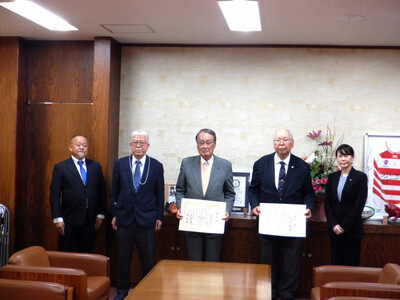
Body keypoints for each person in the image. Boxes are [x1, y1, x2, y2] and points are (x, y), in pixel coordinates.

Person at [248, 128, 315, 300]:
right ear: (273, 143)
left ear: (292, 143)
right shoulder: (261, 164)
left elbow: (309, 193)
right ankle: (268, 293)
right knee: (267, 260)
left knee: (290, 261)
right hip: (267, 222)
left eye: (285, 139)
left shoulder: (302, 166)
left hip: (292, 224)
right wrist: (254, 205)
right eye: (278, 140)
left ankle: (287, 294)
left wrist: (308, 207)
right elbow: (253, 190)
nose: (282, 143)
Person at [111, 130, 164, 300]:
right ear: (130, 145)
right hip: (124, 218)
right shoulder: (120, 164)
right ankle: (121, 292)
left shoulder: (156, 165)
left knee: (147, 259)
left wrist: (159, 216)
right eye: (135, 142)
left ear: (148, 146)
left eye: (142, 142)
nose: (138, 145)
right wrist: (115, 214)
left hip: (147, 219)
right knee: (123, 259)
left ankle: (147, 292)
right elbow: (115, 191)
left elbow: (159, 193)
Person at [175, 128, 236, 262]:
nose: (205, 146)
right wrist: (180, 208)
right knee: (193, 263)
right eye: (201, 142)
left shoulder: (225, 165)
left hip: (214, 223)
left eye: (208, 142)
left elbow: (230, 193)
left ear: (214, 144)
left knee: (212, 263)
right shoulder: (187, 163)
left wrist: (227, 210)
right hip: (192, 224)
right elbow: (180, 190)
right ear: (197, 145)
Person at [50, 134, 106, 253]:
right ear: (71, 148)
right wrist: (57, 218)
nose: (82, 148)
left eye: (84, 145)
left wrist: (100, 214)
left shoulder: (95, 166)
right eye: (78, 145)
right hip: (68, 220)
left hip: (90, 220)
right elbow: (54, 195)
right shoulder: (61, 167)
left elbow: (102, 192)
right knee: (66, 254)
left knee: (86, 255)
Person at [324, 144, 368, 266]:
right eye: (340, 156)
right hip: (334, 229)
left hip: (351, 229)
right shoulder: (332, 177)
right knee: (336, 264)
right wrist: (333, 224)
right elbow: (327, 203)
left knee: (350, 265)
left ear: (352, 158)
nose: (343, 159)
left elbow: (359, 205)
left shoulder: (360, 177)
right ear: (337, 158)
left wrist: (343, 226)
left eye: (346, 155)